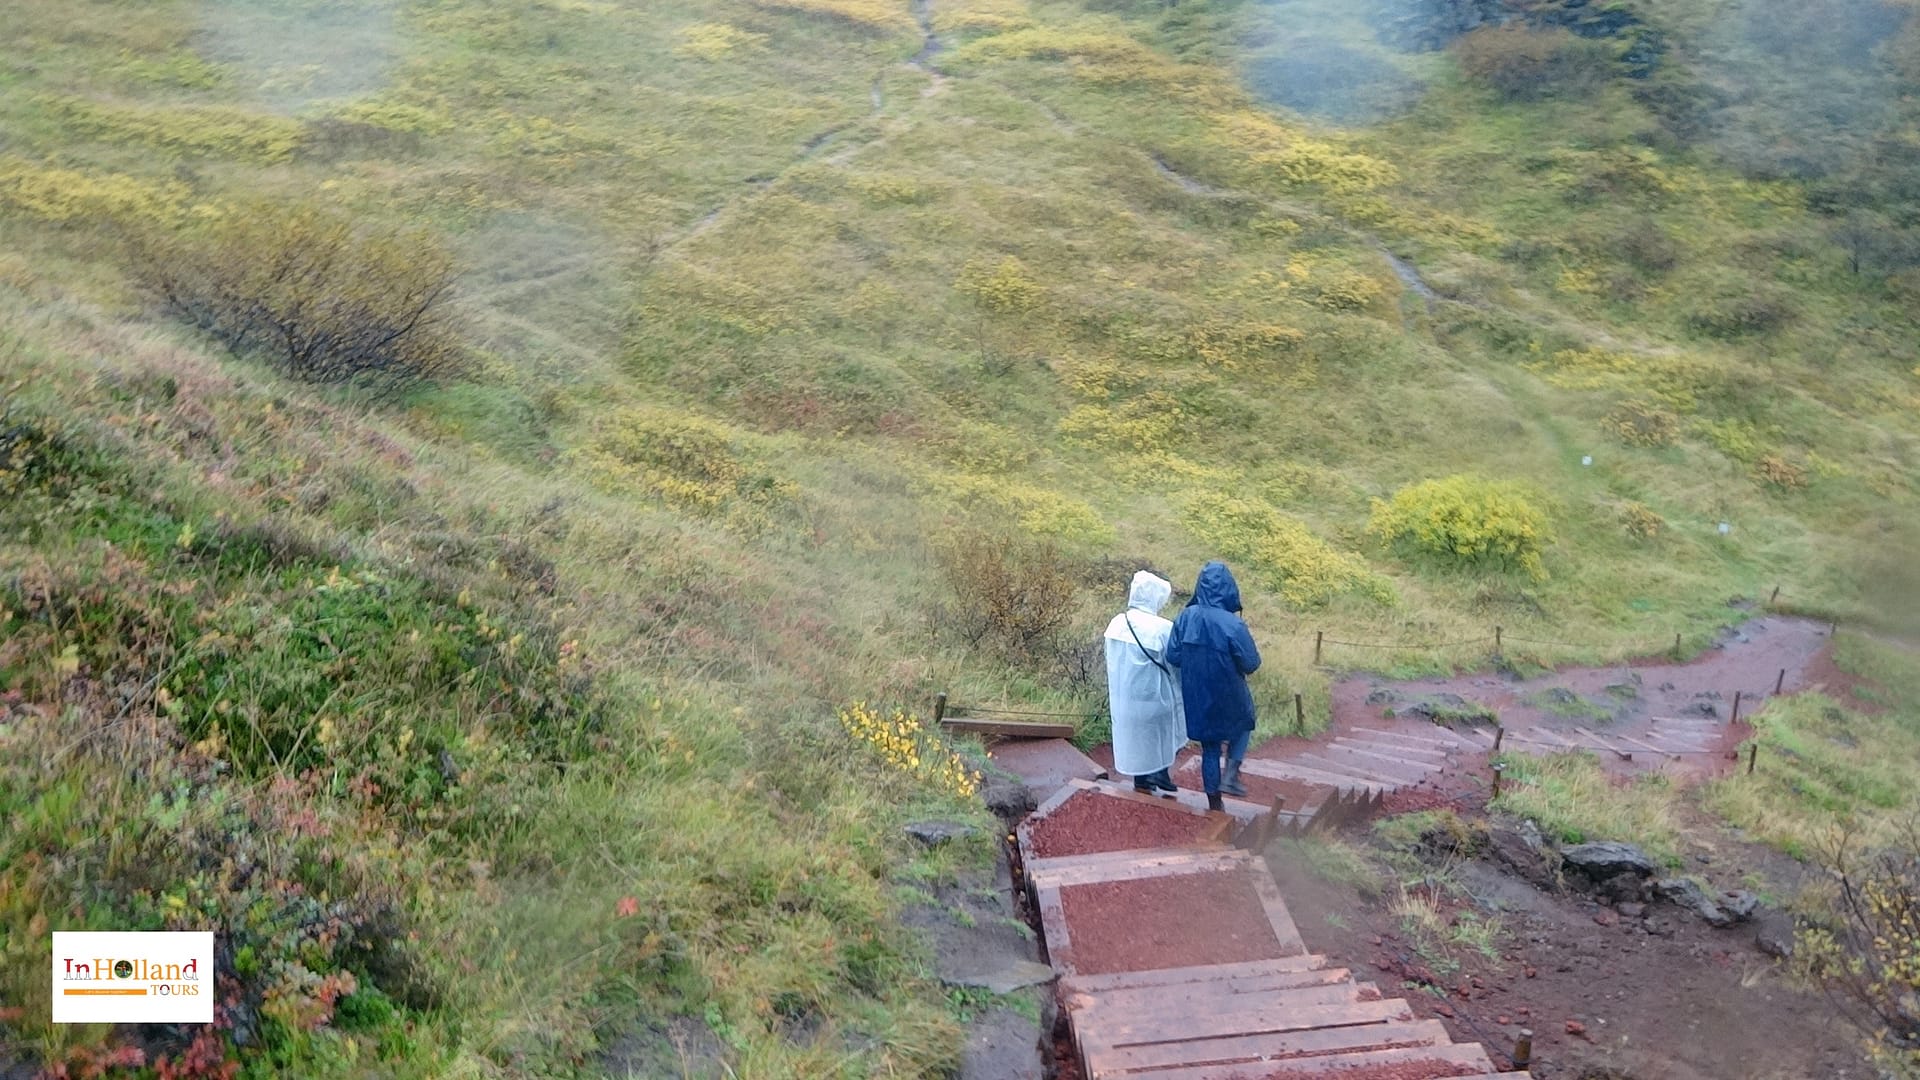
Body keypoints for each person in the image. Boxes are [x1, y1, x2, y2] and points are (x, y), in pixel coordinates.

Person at [1165, 561, 1261, 811]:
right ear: (1229, 589)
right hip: (1229, 691)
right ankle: (1231, 772)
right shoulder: (1233, 624)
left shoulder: (1185, 617)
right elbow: (1251, 663)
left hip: (1197, 693)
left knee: (1210, 747)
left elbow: (1173, 656)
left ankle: (1214, 804)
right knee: (1244, 722)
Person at [1104, 571, 1183, 797]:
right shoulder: (1163, 628)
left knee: (1136, 738)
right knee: (1160, 735)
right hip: (1155, 695)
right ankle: (1160, 772)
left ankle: (1142, 781)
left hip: (1124, 697)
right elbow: (1175, 662)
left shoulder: (1117, 622)